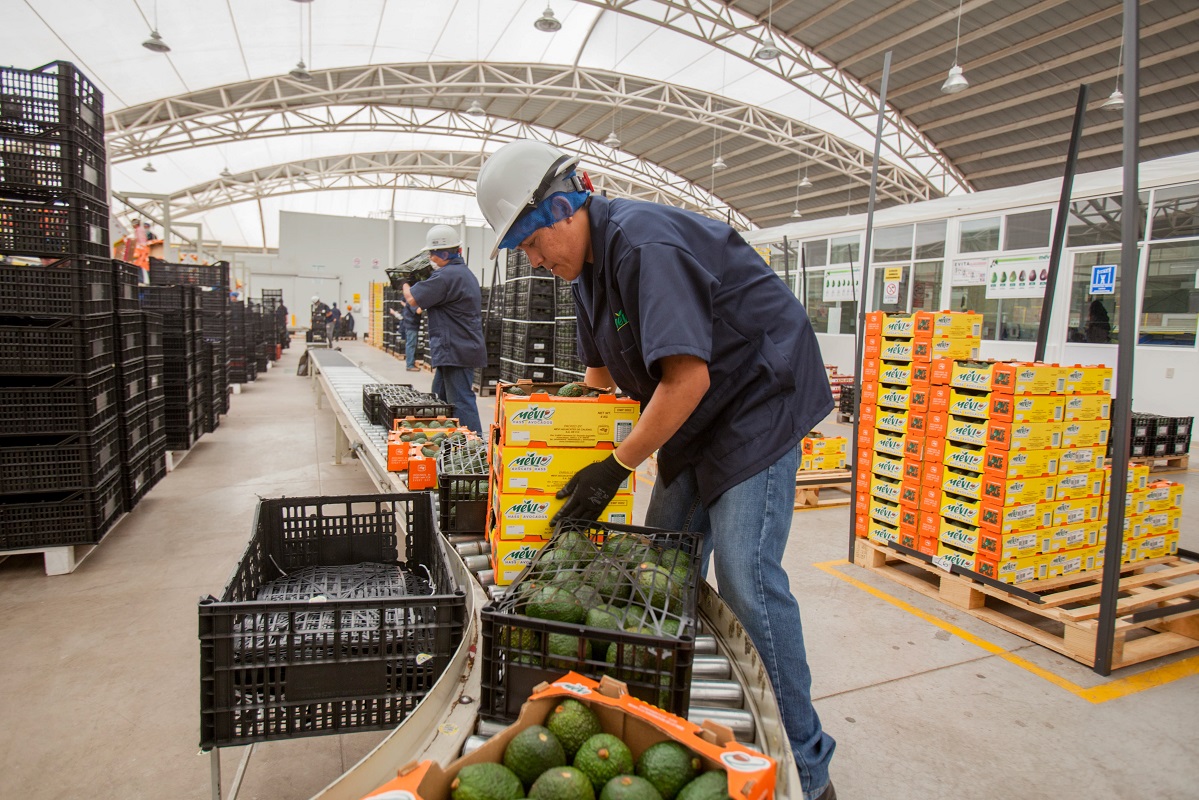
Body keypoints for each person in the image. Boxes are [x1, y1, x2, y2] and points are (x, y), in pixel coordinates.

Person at [476, 139, 837, 800]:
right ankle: (658, 721)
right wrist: (556, 431)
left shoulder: (644, 246)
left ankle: (808, 768)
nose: (532, 260)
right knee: (658, 566)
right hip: (695, 414)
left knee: (745, 576)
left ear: (561, 208)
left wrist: (616, 466)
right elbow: (599, 375)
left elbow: (688, 378)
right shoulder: (584, 270)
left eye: (531, 244)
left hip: (756, 401)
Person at [403, 225, 488, 435]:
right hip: (459, 347)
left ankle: (474, 446)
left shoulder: (446, 276)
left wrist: (404, 282)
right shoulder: (463, 273)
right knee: (439, 397)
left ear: (444, 253)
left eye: (432, 252)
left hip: (456, 349)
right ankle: (444, 438)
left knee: (460, 400)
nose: (430, 257)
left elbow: (413, 299)